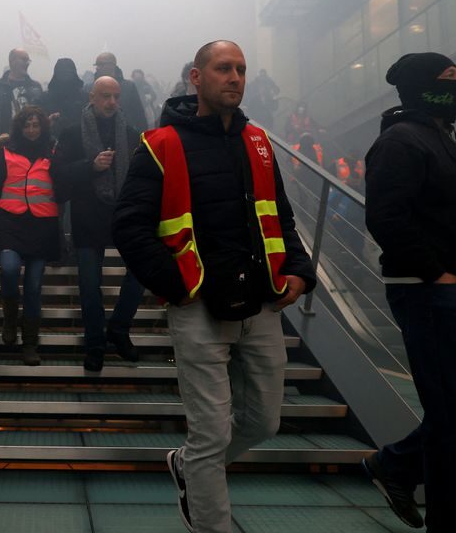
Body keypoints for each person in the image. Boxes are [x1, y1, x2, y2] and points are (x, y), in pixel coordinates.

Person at [113, 41, 314, 533]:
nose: (236, 77)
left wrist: (300, 269)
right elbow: (130, 227)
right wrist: (176, 286)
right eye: (223, 68)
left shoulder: (260, 142)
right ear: (195, 78)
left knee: (264, 421)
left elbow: (280, 214)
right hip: (199, 304)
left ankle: (188, 467)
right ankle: (211, 520)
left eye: (242, 69)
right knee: (210, 432)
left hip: (262, 302)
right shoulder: (159, 144)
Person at [362, 52, 456, 532]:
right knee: (454, 420)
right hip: (430, 294)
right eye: (448, 81)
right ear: (423, 86)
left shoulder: (445, 136)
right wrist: (436, 274)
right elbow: (386, 217)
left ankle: (399, 465)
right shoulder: (400, 141)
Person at [51, 76, 144, 372]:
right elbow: (59, 175)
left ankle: (118, 328)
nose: (112, 102)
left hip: (123, 216)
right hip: (88, 216)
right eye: (105, 96)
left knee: (141, 271)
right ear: (91, 97)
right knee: (90, 286)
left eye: (116, 96)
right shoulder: (72, 132)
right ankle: (95, 343)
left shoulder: (129, 134)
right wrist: (90, 167)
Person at [0, 106, 59, 365]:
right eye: (27, 125)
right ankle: (9, 317)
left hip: (42, 224)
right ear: (19, 126)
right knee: (9, 269)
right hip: (10, 221)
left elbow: (63, 183)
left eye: (36, 125)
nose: (31, 130)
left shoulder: (53, 150)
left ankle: (29, 344)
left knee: (34, 287)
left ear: (43, 127)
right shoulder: (5, 150)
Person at [0, 48, 43, 142]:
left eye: (28, 60)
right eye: (23, 59)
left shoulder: (35, 87)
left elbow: (41, 114)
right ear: (11, 61)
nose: (27, 63)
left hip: (30, 141)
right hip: (2, 140)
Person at [87, 52, 148, 132]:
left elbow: (138, 113)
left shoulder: (128, 87)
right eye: (97, 65)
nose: (97, 68)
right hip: (96, 133)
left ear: (112, 65)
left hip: (125, 133)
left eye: (101, 64)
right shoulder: (89, 88)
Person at [38, 58, 88, 137]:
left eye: (68, 74)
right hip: (52, 142)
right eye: (62, 74)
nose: (65, 78)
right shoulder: (43, 99)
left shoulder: (85, 97)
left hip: (79, 141)